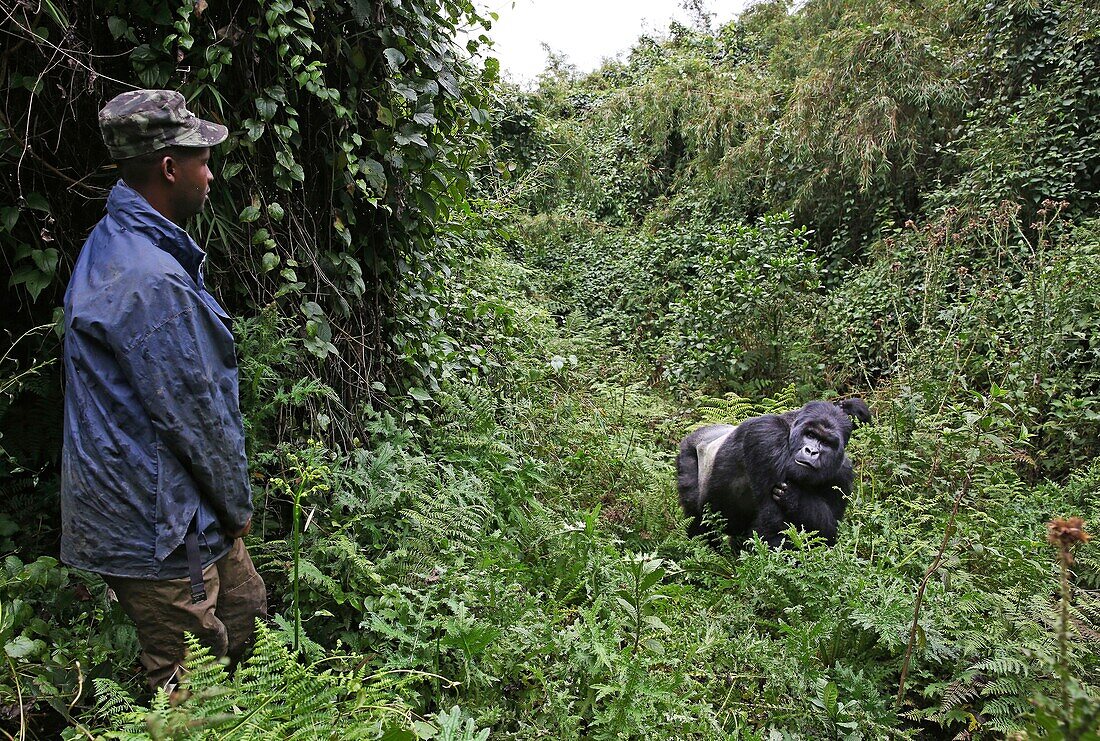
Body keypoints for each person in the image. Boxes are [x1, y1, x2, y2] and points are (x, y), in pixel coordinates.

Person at [61, 89, 267, 692]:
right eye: (201, 157)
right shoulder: (149, 280)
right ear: (170, 169)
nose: (211, 171)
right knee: (186, 686)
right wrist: (237, 509)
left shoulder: (130, 243)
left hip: (181, 500)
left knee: (247, 615)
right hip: (153, 516)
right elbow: (197, 418)